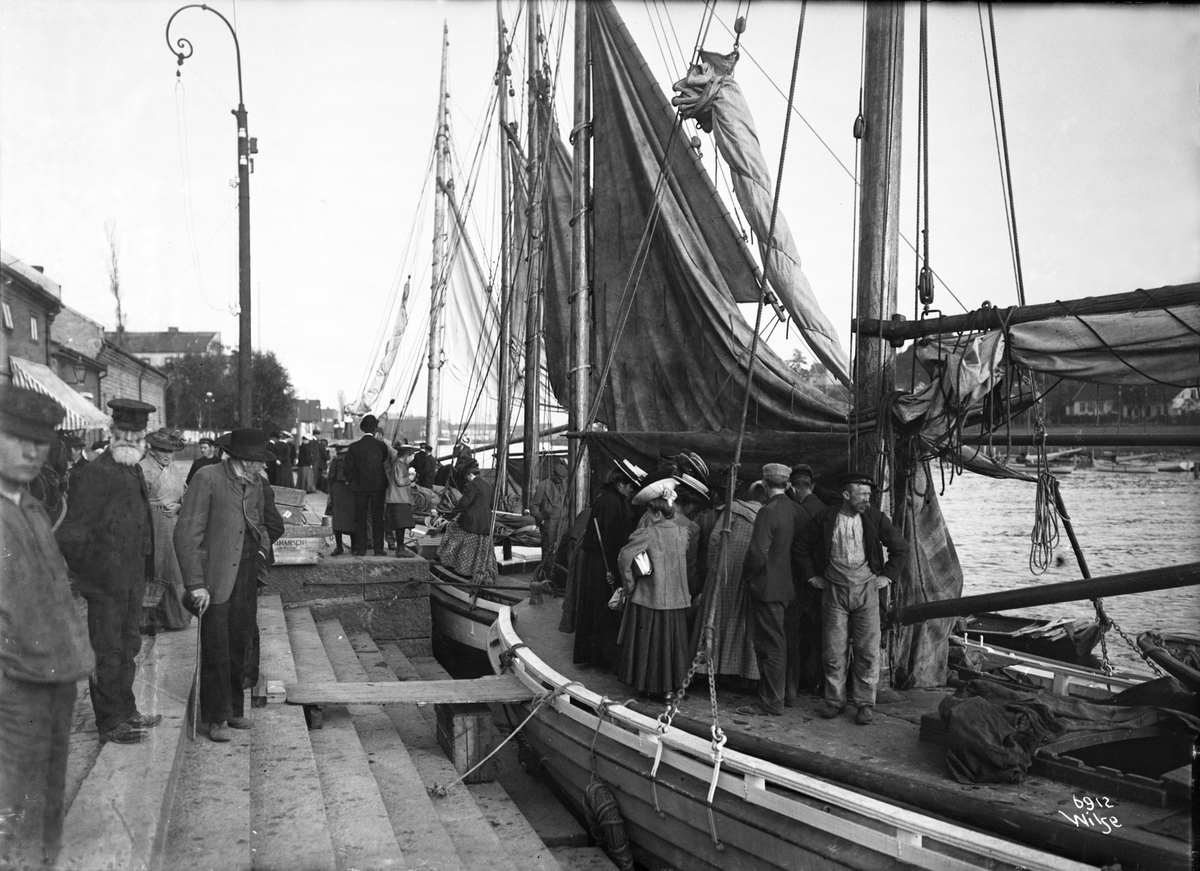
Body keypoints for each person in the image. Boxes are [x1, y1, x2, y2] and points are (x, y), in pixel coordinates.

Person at [0, 387, 95, 870]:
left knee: (44, 801)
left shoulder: (31, 505)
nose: (33, 451)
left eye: (41, 441)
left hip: (53, 676)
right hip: (14, 686)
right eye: (17, 438)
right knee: (13, 805)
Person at [56, 398, 160, 744]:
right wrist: (93, 577)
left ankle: (126, 710)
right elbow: (71, 534)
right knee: (107, 650)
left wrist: (145, 569)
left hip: (131, 579)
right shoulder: (96, 473)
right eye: (123, 432)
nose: (129, 438)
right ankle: (109, 721)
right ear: (112, 433)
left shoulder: (134, 469)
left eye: (136, 433)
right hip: (104, 585)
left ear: (144, 436)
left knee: (128, 645)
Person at [175, 428, 283, 742]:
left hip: (247, 572)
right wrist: (195, 583)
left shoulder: (256, 484)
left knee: (240, 640)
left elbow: (262, 523)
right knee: (216, 646)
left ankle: (235, 709)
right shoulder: (207, 478)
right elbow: (186, 534)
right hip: (215, 577)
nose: (262, 467)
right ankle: (215, 717)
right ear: (242, 459)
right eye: (258, 461)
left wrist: (261, 549)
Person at [795, 471, 910, 725]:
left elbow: (901, 548)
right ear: (846, 495)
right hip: (834, 592)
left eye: (869, 495)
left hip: (867, 592)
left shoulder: (875, 518)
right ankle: (834, 701)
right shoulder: (825, 518)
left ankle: (865, 703)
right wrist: (812, 577)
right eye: (863, 495)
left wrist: (887, 577)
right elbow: (801, 547)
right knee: (834, 651)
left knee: (867, 651)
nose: (867, 500)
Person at [614, 476, 696, 699]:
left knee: (652, 644)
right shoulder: (683, 532)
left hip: (650, 598)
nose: (648, 517)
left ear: (657, 513)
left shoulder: (648, 533)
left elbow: (624, 557)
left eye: (649, 513)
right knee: (674, 644)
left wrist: (629, 584)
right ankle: (674, 687)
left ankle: (652, 687)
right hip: (678, 600)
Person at [738, 463, 805, 716]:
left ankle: (770, 701)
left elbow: (757, 553)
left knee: (770, 646)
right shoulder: (799, 511)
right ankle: (788, 694)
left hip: (768, 589)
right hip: (792, 590)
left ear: (764, 485)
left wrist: (748, 577)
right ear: (788, 485)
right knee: (787, 643)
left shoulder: (767, 511)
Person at [692, 478, 762, 685]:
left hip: (721, 574)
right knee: (740, 625)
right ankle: (742, 675)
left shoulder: (733, 510)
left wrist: (713, 569)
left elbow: (715, 539)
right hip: (745, 577)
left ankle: (705, 669)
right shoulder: (764, 516)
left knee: (714, 620)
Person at [572, 461, 641, 667]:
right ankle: (601, 657)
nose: (632, 491)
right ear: (620, 484)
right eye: (630, 487)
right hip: (604, 565)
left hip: (600, 563)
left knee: (599, 609)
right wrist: (616, 570)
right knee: (603, 609)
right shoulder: (612, 502)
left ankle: (597, 655)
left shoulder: (610, 499)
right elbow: (613, 540)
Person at [139, 428, 192, 633]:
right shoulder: (142, 469)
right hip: (151, 525)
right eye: (163, 450)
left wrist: (179, 505)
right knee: (155, 569)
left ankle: (173, 617)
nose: (168, 455)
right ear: (152, 450)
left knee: (174, 570)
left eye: (171, 451)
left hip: (172, 525)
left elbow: (184, 493)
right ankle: (150, 619)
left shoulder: (172, 468)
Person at [786, 463, 827, 699]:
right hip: (820, 581)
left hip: (807, 584)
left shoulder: (802, 511)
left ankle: (809, 680)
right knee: (818, 634)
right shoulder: (822, 506)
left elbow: (800, 549)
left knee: (806, 634)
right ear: (811, 486)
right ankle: (816, 682)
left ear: (794, 487)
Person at [437, 458, 497, 585]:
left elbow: (465, 502)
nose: (466, 480)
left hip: (472, 520)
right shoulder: (487, 485)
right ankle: (478, 569)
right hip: (486, 521)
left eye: (466, 477)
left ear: (469, 475)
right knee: (481, 544)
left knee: (453, 530)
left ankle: (451, 562)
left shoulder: (473, 484)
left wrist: (452, 515)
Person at [343, 414, 389, 556]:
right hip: (378, 487)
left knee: (361, 519)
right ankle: (379, 549)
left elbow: (347, 469)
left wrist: (352, 482)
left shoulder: (354, 447)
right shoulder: (381, 446)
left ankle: (361, 549)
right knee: (377, 518)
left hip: (360, 488)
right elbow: (385, 463)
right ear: (375, 428)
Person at [530, 459, 569, 570]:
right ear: (554, 475)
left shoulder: (565, 484)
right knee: (548, 551)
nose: (562, 481)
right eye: (561, 479)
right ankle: (546, 575)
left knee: (562, 550)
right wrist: (542, 519)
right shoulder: (542, 486)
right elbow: (533, 506)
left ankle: (559, 576)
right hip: (549, 523)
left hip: (564, 523)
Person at [384, 442, 417, 556]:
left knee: (400, 526)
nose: (413, 459)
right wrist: (410, 478)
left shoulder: (399, 465)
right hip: (399, 500)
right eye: (412, 455)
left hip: (398, 499)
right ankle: (400, 549)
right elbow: (400, 481)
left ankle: (400, 547)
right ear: (407, 455)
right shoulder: (399, 465)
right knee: (400, 525)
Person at [326, 444, 356, 555]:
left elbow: (330, 479)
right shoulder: (352, 461)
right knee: (351, 520)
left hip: (339, 492)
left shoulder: (335, 461)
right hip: (348, 492)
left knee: (338, 521)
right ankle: (354, 547)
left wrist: (329, 495)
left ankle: (339, 547)